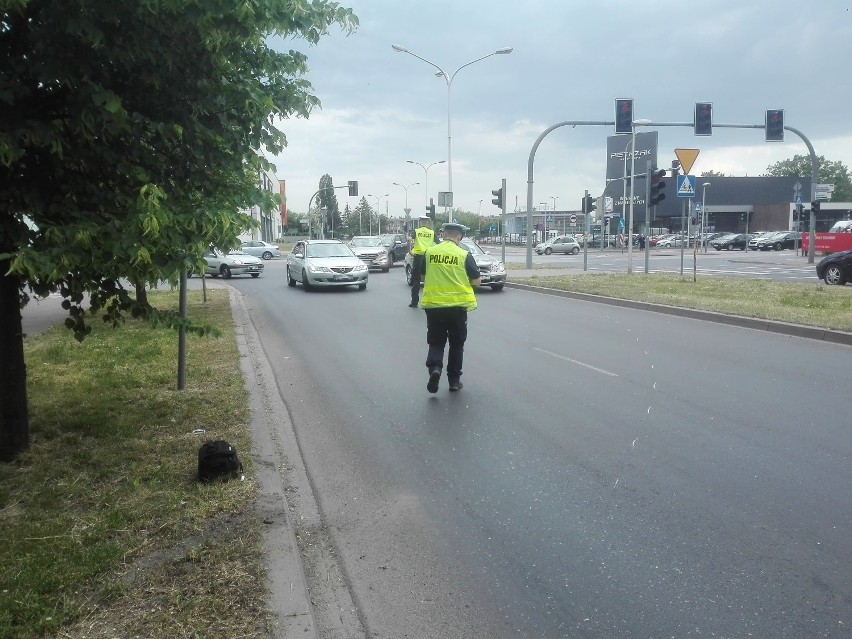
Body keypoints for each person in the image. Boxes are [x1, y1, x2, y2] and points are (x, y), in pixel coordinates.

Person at [420, 223, 481, 393]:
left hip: (434, 307)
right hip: (457, 308)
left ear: (443, 234)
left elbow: (423, 276)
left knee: (436, 342)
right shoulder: (464, 254)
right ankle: (454, 381)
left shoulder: (429, 252)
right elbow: (476, 281)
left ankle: (435, 369)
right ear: (459, 237)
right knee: (456, 344)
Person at [408, 216, 435, 307]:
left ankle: (414, 302)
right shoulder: (432, 233)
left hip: (418, 258)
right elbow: (439, 243)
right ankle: (430, 301)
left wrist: (410, 251)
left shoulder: (416, 231)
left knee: (416, 280)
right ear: (427, 223)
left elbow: (408, 239)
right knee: (429, 279)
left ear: (420, 222)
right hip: (429, 257)